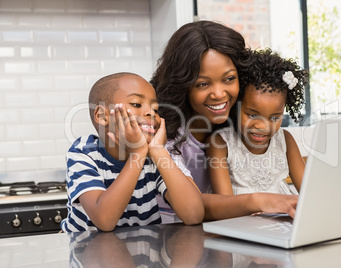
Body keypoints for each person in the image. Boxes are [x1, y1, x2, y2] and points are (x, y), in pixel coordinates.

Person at [150, 20, 299, 219]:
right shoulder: (163, 134)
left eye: (229, 79)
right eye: (203, 84)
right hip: (170, 233)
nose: (219, 94)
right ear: (183, 84)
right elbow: (192, 204)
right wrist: (259, 200)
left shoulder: (240, 125)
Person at [61, 72, 204, 233]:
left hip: (142, 254)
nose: (151, 113)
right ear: (102, 116)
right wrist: (137, 154)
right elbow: (104, 220)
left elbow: (194, 215)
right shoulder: (84, 152)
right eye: (136, 104)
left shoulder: (153, 156)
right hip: (90, 252)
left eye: (155, 109)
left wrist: (158, 151)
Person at [206, 48, 308, 196]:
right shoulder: (220, 143)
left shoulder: (285, 140)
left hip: (283, 216)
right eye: (252, 116)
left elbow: (309, 194)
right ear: (236, 106)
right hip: (240, 218)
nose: (263, 127)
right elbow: (225, 202)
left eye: (274, 118)